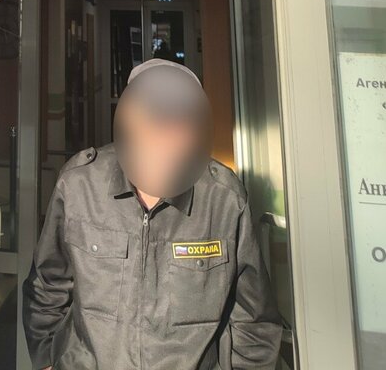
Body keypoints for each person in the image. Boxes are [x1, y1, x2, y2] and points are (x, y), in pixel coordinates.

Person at [22, 58, 282, 369]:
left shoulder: (223, 198)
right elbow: (47, 285)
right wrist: (47, 360)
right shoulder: (80, 184)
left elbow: (254, 318)